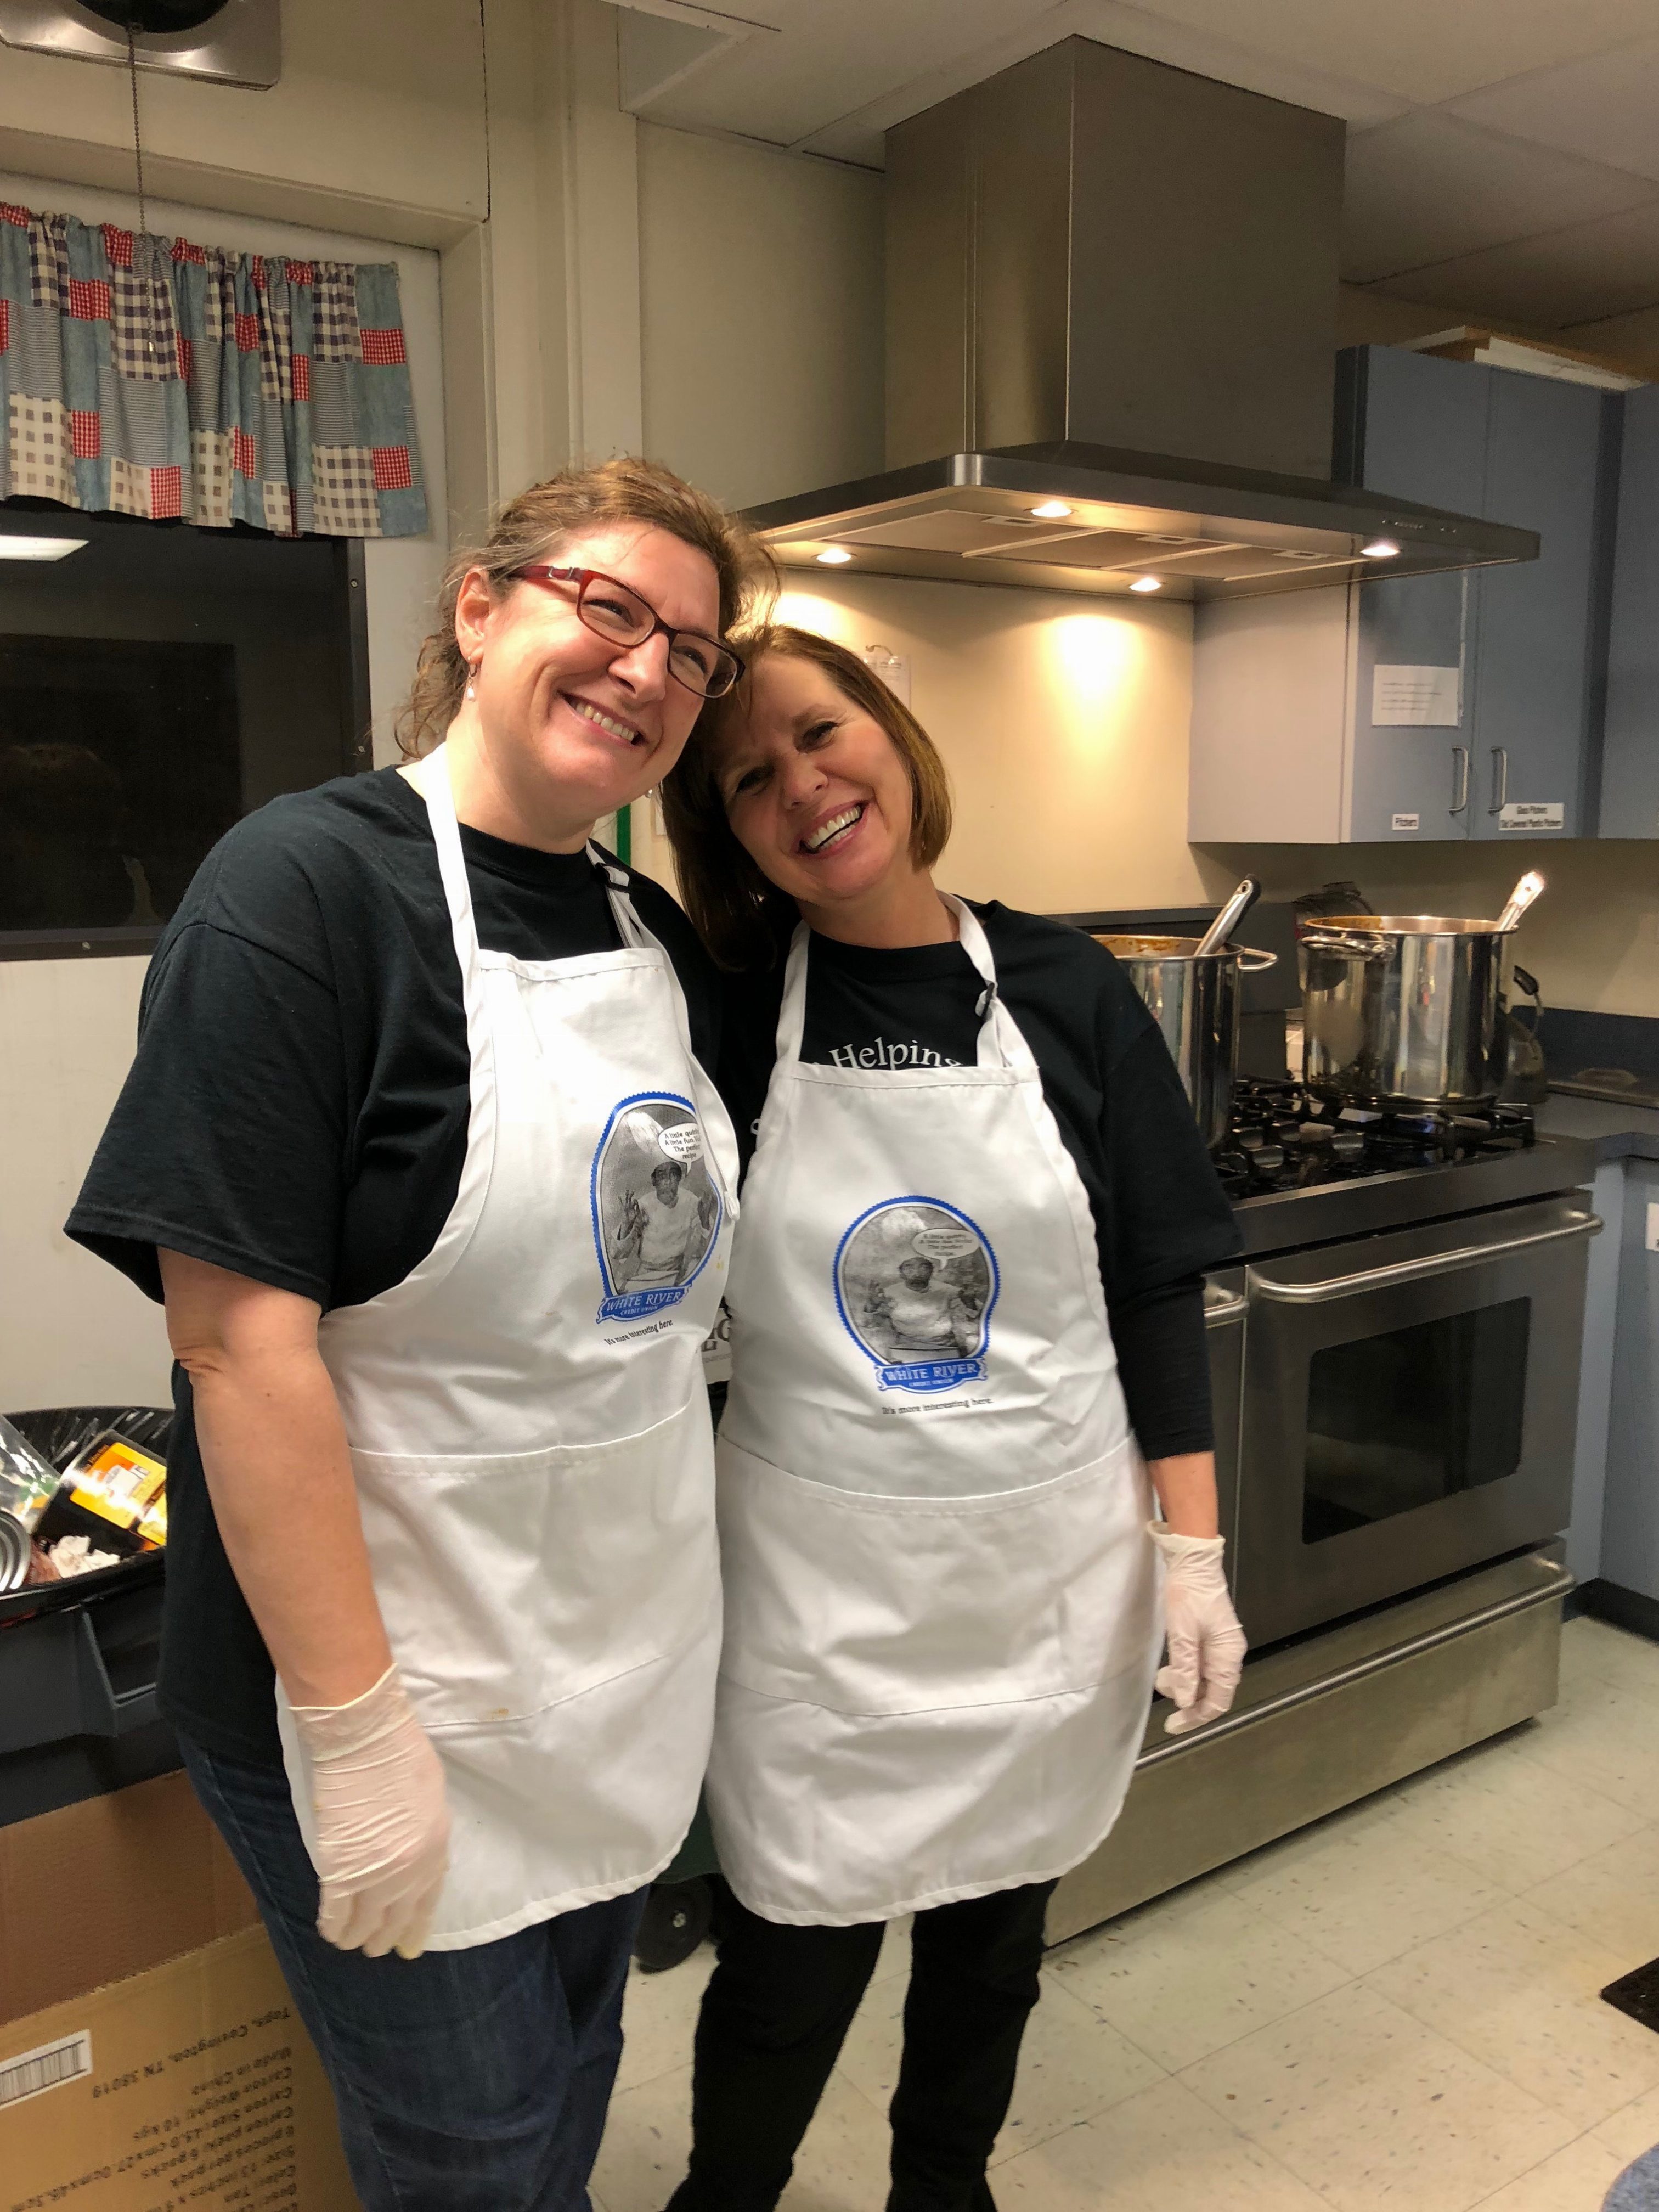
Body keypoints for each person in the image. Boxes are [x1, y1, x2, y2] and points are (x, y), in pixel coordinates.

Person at [66, 460, 771, 2212]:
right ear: (482, 606)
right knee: (470, 2144)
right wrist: (361, 1729)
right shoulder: (304, 889)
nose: (646, 669)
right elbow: (240, 1348)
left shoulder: (645, 930)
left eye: (691, 649)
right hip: (385, 1681)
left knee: (577, 2077)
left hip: (606, 1661)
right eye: (610, 607)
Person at [657, 624, 1249, 2212]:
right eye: (750, 778)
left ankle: (945, 2184)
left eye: (825, 732)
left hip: (1038, 1575)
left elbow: (1155, 1280)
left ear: (898, 736)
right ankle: (729, 2192)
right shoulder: (722, 1009)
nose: (806, 785)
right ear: (729, 832)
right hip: (822, 1598)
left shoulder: (1064, 985)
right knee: (792, 1950)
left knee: (995, 1942)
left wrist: (1191, 1549)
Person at [615, 1157, 714, 1291]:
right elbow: (618, 1254)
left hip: (678, 1274)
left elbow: (709, 1250)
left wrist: (705, 1222)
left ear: (679, 1179)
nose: (668, 1181)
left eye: (673, 1175)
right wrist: (627, 1224)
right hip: (647, 1275)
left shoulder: (691, 1201)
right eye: (662, 1176)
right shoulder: (642, 1205)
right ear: (654, 1181)